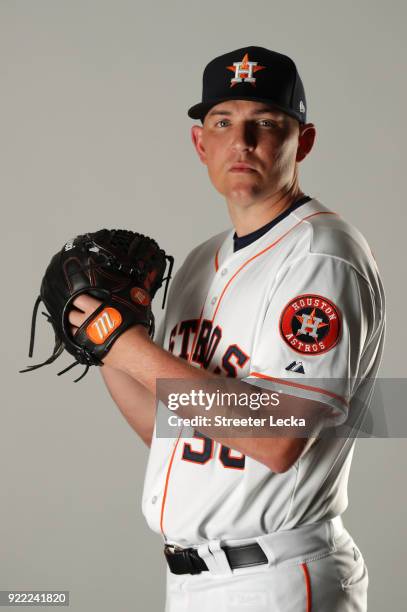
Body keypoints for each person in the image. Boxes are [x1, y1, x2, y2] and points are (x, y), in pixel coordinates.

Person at [68, 46, 385, 611]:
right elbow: (173, 435)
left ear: (302, 142)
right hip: (194, 582)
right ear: (201, 143)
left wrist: (125, 343)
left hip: (278, 579)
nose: (243, 140)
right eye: (224, 121)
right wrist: (102, 348)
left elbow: (278, 435)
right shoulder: (198, 262)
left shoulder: (322, 257)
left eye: (266, 122)